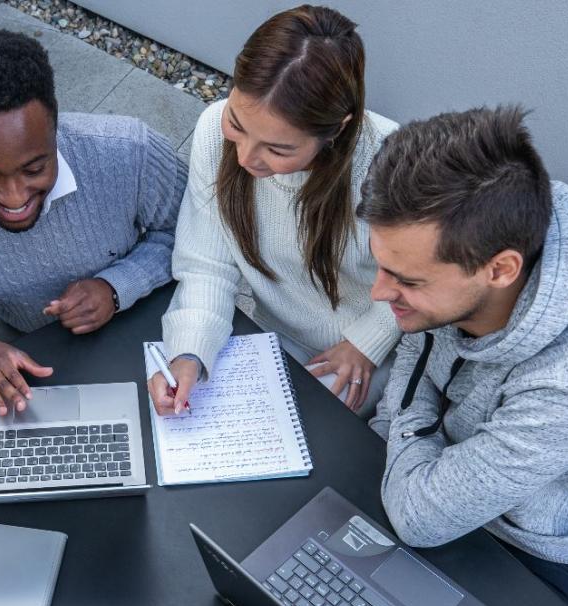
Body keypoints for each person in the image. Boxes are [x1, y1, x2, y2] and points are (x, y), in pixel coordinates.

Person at [359, 106, 568, 606]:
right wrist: (410, 433)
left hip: (538, 540)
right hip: (428, 465)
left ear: (500, 269)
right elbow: (418, 349)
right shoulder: (464, 264)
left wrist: (407, 430)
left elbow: (418, 517)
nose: (380, 293)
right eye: (384, 268)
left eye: (408, 281)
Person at [0, 29, 188, 420]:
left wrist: (117, 286)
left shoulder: (131, 151)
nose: (14, 198)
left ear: (53, 120)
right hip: (22, 340)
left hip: (146, 322)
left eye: (35, 168)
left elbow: (191, 235)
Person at [149, 5, 400, 419]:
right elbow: (207, 265)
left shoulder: (392, 162)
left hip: (368, 346)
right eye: (237, 123)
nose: (246, 157)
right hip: (271, 335)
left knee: (314, 440)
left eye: (279, 149)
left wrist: (367, 342)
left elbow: (423, 283)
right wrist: (188, 352)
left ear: (337, 129)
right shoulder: (214, 130)